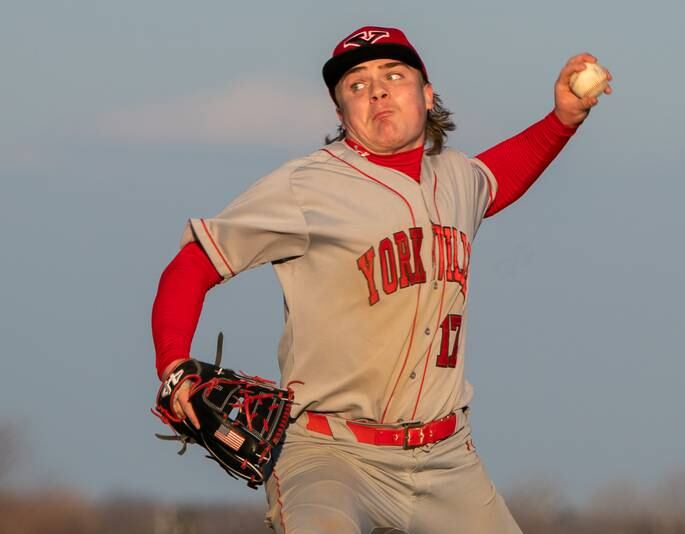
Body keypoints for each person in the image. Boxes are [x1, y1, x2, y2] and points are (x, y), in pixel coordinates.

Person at [152, 25, 611, 534]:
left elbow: (498, 177)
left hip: (447, 459)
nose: (376, 90)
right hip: (330, 455)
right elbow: (193, 264)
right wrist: (173, 365)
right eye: (356, 84)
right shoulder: (307, 186)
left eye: (394, 74)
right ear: (341, 113)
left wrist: (563, 120)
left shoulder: (456, 178)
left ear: (427, 94)